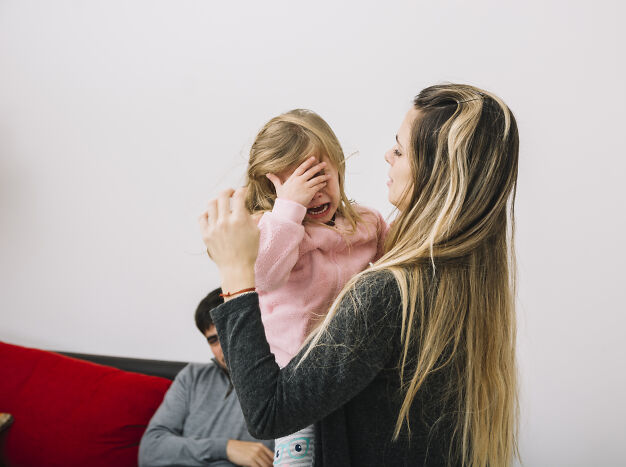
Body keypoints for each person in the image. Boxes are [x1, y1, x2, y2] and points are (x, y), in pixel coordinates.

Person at [200, 84, 520, 467]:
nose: (387, 154)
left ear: (434, 173)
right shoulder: (456, 275)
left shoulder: (385, 289)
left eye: (399, 150)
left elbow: (268, 412)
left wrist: (234, 272)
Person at [242, 109, 386, 464]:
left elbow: (390, 278)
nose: (314, 192)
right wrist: (288, 209)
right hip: (296, 379)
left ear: (339, 168)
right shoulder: (271, 230)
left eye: (321, 176)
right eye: (298, 183)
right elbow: (264, 276)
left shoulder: (367, 223)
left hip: (352, 369)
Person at [138, 289, 274, 467]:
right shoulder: (192, 377)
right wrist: (226, 448)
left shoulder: (278, 383)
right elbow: (150, 451)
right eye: (214, 340)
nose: (223, 348)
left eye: (230, 333)